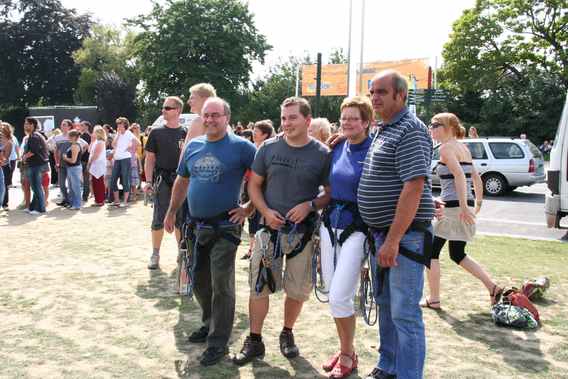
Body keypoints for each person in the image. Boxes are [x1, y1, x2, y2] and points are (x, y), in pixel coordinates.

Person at [233, 97, 331, 366]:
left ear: (307, 121)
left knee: (297, 290)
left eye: (292, 118)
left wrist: (309, 205)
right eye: (283, 118)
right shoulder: (268, 148)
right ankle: (254, 340)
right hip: (268, 232)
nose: (286, 123)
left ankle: (287, 333)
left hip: (303, 233)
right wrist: (264, 211)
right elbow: (254, 186)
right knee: (258, 286)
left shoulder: (322, 154)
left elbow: (329, 194)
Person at [164, 97, 256, 366]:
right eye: (206, 115)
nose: (210, 120)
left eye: (216, 115)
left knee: (221, 284)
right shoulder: (193, 145)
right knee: (199, 281)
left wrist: (249, 207)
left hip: (226, 227)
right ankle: (209, 322)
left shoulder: (242, 147)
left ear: (227, 117)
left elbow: (265, 177)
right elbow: (182, 180)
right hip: (196, 226)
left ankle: (218, 342)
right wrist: (171, 212)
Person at [358, 70, 434, 379]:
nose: (374, 97)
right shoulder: (383, 129)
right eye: (372, 92)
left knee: (404, 313)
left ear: (401, 96)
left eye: (382, 92)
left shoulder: (410, 129)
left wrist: (392, 240)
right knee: (387, 305)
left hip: (405, 239)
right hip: (383, 236)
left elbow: (414, 186)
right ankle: (388, 366)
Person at [422, 113, 502, 310]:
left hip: (453, 207)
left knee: (430, 253)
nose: (431, 128)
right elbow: (475, 177)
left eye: (435, 125)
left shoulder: (447, 149)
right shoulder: (462, 147)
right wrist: (478, 203)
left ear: (448, 127)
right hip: (460, 204)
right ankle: (492, 288)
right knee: (457, 254)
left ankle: (434, 298)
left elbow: (459, 174)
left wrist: (466, 208)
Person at [319, 96, 374, 378]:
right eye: (344, 118)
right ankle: (346, 349)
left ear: (367, 121)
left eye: (354, 118)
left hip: (357, 229)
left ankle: (347, 355)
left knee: (341, 295)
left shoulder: (374, 149)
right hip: (330, 225)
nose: (348, 123)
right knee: (332, 294)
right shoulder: (338, 146)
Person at [143, 96, 188, 269]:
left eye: (167, 108)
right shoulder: (156, 132)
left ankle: (181, 252)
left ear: (177, 110)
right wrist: (147, 181)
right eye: (163, 107)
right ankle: (155, 254)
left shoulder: (186, 132)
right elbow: (150, 159)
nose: (163, 110)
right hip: (162, 179)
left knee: (181, 218)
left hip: (182, 179)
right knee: (159, 218)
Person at [240, 120, 276, 260]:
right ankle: (251, 249)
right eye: (253, 131)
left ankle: (258, 251)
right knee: (251, 223)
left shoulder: (268, 150)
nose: (253, 134)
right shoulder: (252, 148)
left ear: (265, 135)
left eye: (257, 132)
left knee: (258, 222)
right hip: (248, 188)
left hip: (261, 192)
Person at [109, 117, 139, 207]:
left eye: (121, 124)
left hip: (125, 159)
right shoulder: (117, 134)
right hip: (117, 159)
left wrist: (130, 147)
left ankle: (125, 202)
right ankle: (117, 200)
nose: (119, 126)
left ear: (125, 125)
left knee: (126, 180)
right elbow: (113, 145)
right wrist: (118, 134)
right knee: (113, 180)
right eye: (118, 124)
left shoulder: (128, 133)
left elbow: (137, 142)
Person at [22, 117, 50, 215]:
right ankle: (33, 207)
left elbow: (33, 151)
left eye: (27, 124)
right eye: (25, 124)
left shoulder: (34, 136)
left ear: (32, 125)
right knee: (35, 187)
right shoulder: (33, 135)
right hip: (34, 165)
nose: (25, 125)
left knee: (36, 187)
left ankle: (40, 208)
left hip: (37, 165)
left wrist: (25, 157)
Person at [54, 119, 73, 207]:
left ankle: (70, 200)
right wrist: (56, 162)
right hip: (61, 164)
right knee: (61, 184)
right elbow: (56, 151)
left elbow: (84, 146)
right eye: (62, 125)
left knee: (71, 183)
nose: (62, 126)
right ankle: (66, 199)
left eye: (64, 125)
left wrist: (76, 158)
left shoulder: (72, 136)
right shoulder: (57, 138)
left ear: (69, 126)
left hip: (71, 164)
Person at [88, 126, 107, 206]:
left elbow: (95, 155)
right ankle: (98, 200)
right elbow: (90, 151)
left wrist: (89, 163)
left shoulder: (100, 142)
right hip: (95, 164)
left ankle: (100, 200)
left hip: (98, 165)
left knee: (98, 183)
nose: (93, 133)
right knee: (95, 183)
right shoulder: (97, 141)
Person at [0, 123, 14, 210]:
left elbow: (6, 157)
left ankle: (4, 204)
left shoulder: (9, 142)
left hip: (4, 166)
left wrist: (1, 160)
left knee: (4, 185)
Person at [80, 121, 92, 201]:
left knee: (85, 179)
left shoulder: (86, 136)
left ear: (87, 126)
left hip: (84, 160)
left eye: (82, 125)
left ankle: (85, 196)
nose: (81, 127)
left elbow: (86, 148)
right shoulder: (89, 136)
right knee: (85, 179)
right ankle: (85, 196)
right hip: (85, 159)